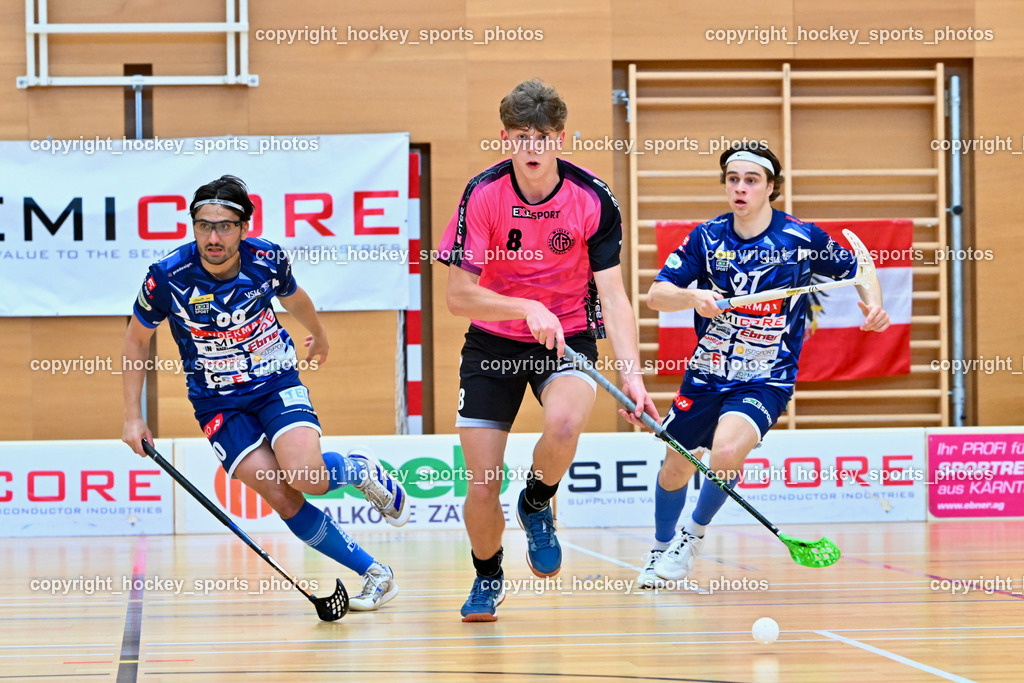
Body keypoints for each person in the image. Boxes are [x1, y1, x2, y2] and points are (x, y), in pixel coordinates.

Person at [121, 175, 409, 611]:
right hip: (217, 402)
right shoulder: (168, 277)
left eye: (224, 226)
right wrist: (133, 416)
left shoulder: (266, 258)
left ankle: (360, 470)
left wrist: (319, 334)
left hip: (274, 381)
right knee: (282, 493)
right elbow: (135, 342)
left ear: (244, 227)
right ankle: (375, 574)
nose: (212, 237)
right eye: (203, 225)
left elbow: (294, 298)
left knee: (306, 475)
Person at [439, 79, 659, 622]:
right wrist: (522, 308)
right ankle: (487, 577)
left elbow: (613, 292)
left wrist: (632, 375)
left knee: (563, 424)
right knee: (483, 484)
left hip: (568, 335)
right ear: (505, 137)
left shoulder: (592, 199)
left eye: (542, 137)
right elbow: (458, 295)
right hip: (494, 342)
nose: (532, 148)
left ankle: (537, 502)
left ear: (560, 138)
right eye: (521, 136)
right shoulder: (483, 194)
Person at [638, 142, 891, 587]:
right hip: (707, 373)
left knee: (727, 452)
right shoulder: (706, 237)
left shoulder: (801, 239)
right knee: (675, 466)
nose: (740, 188)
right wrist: (691, 296)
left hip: (766, 377)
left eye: (751, 181)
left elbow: (860, 271)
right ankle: (659, 548)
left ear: (770, 188)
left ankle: (691, 537)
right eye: (733, 179)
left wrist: (874, 308)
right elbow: (656, 295)